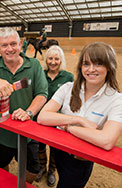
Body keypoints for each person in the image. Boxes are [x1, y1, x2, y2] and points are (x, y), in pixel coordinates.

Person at [38, 42, 122, 188]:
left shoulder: (118, 100)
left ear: (109, 67)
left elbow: (106, 140)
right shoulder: (67, 88)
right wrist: (78, 120)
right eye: (86, 64)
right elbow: (43, 117)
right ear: (80, 67)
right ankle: (49, 171)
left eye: (98, 64)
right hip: (58, 149)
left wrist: (68, 127)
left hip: (80, 160)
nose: (91, 69)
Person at [0, 27, 48, 183]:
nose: (10, 49)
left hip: (27, 134)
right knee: (0, 165)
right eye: (4, 45)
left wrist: (29, 112)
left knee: (32, 169)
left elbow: (42, 94)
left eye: (13, 44)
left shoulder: (34, 65)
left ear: (20, 44)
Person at [36, 45, 74, 187]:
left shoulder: (68, 76)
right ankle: (42, 168)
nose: (53, 62)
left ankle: (52, 171)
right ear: (46, 60)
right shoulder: (40, 73)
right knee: (40, 145)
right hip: (40, 118)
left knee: (55, 148)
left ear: (61, 60)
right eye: (50, 58)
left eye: (56, 59)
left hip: (58, 120)